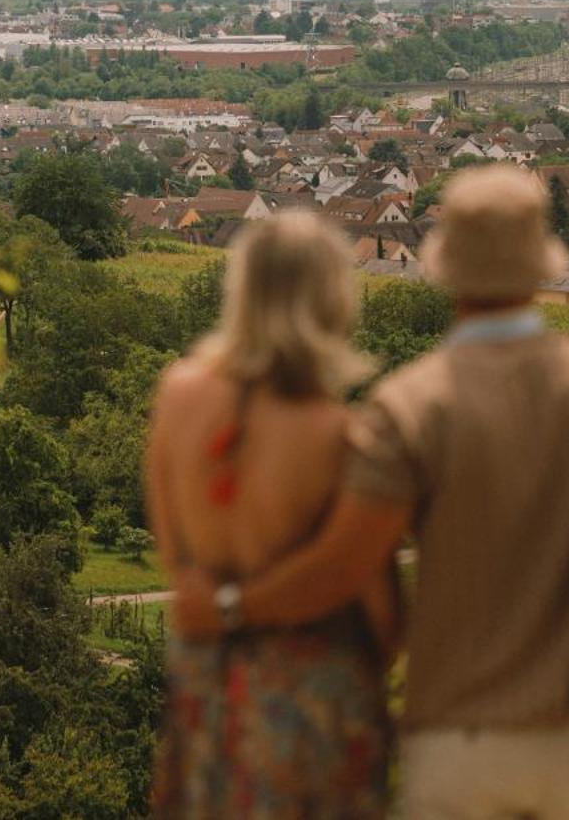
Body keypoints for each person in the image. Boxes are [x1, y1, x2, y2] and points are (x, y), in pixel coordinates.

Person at [174, 164, 569, 819]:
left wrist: (231, 606)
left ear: (446, 268)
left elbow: (345, 566)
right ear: (540, 266)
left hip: (459, 741)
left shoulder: (410, 406)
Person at [146, 212, 396, 819]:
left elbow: (172, 545)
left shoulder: (177, 394)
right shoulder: (339, 436)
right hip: (307, 703)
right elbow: (377, 607)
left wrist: (213, 607)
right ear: (333, 299)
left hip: (205, 676)